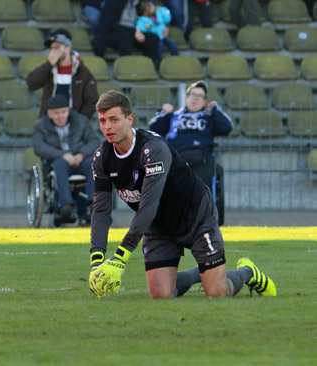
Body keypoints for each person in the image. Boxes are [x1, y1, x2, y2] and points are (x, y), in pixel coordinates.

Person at [87, 90, 276, 299]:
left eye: (114, 119)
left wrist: (119, 258)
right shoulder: (101, 157)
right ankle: (202, 273)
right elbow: (101, 210)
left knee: (218, 293)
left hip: (195, 214)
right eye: (103, 120)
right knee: (161, 295)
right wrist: (97, 263)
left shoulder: (153, 149)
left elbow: (148, 206)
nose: (107, 127)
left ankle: (248, 272)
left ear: (129, 119)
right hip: (159, 225)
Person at [148, 80, 233, 189]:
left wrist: (215, 109)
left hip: (201, 159)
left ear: (204, 101)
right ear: (186, 98)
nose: (195, 98)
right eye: (193, 94)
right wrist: (164, 113)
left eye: (200, 96)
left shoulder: (208, 118)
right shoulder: (173, 116)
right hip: (175, 158)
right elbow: (154, 127)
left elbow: (227, 127)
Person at [32, 95, 100, 226]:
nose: (60, 116)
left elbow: (94, 141)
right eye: (56, 113)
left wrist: (81, 154)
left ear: (68, 110)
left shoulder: (81, 121)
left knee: (93, 163)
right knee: (60, 164)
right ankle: (65, 205)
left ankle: (94, 203)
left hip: (80, 158)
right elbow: (39, 147)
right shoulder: (40, 126)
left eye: (63, 112)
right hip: (58, 161)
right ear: (49, 114)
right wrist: (63, 155)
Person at [26, 28, 98, 120]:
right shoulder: (49, 70)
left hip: (74, 125)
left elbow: (91, 100)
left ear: (68, 49)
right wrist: (48, 64)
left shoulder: (82, 71)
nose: (53, 51)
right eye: (52, 48)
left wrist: (79, 121)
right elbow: (31, 83)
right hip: (49, 124)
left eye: (57, 47)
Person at [93, 0, 159, 61]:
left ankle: (148, 65)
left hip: (134, 32)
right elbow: (109, 26)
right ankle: (124, 66)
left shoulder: (140, 3)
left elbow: (148, 20)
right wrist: (134, 32)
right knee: (128, 36)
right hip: (114, 34)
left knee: (153, 38)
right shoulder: (114, 2)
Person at [135, 0, 178, 65]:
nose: (154, 7)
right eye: (152, 6)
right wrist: (145, 27)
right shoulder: (143, 19)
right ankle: (157, 62)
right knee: (159, 46)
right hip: (156, 39)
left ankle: (176, 59)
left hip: (163, 36)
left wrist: (162, 10)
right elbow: (140, 28)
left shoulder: (159, 14)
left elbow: (167, 17)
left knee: (173, 44)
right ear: (147, 10)